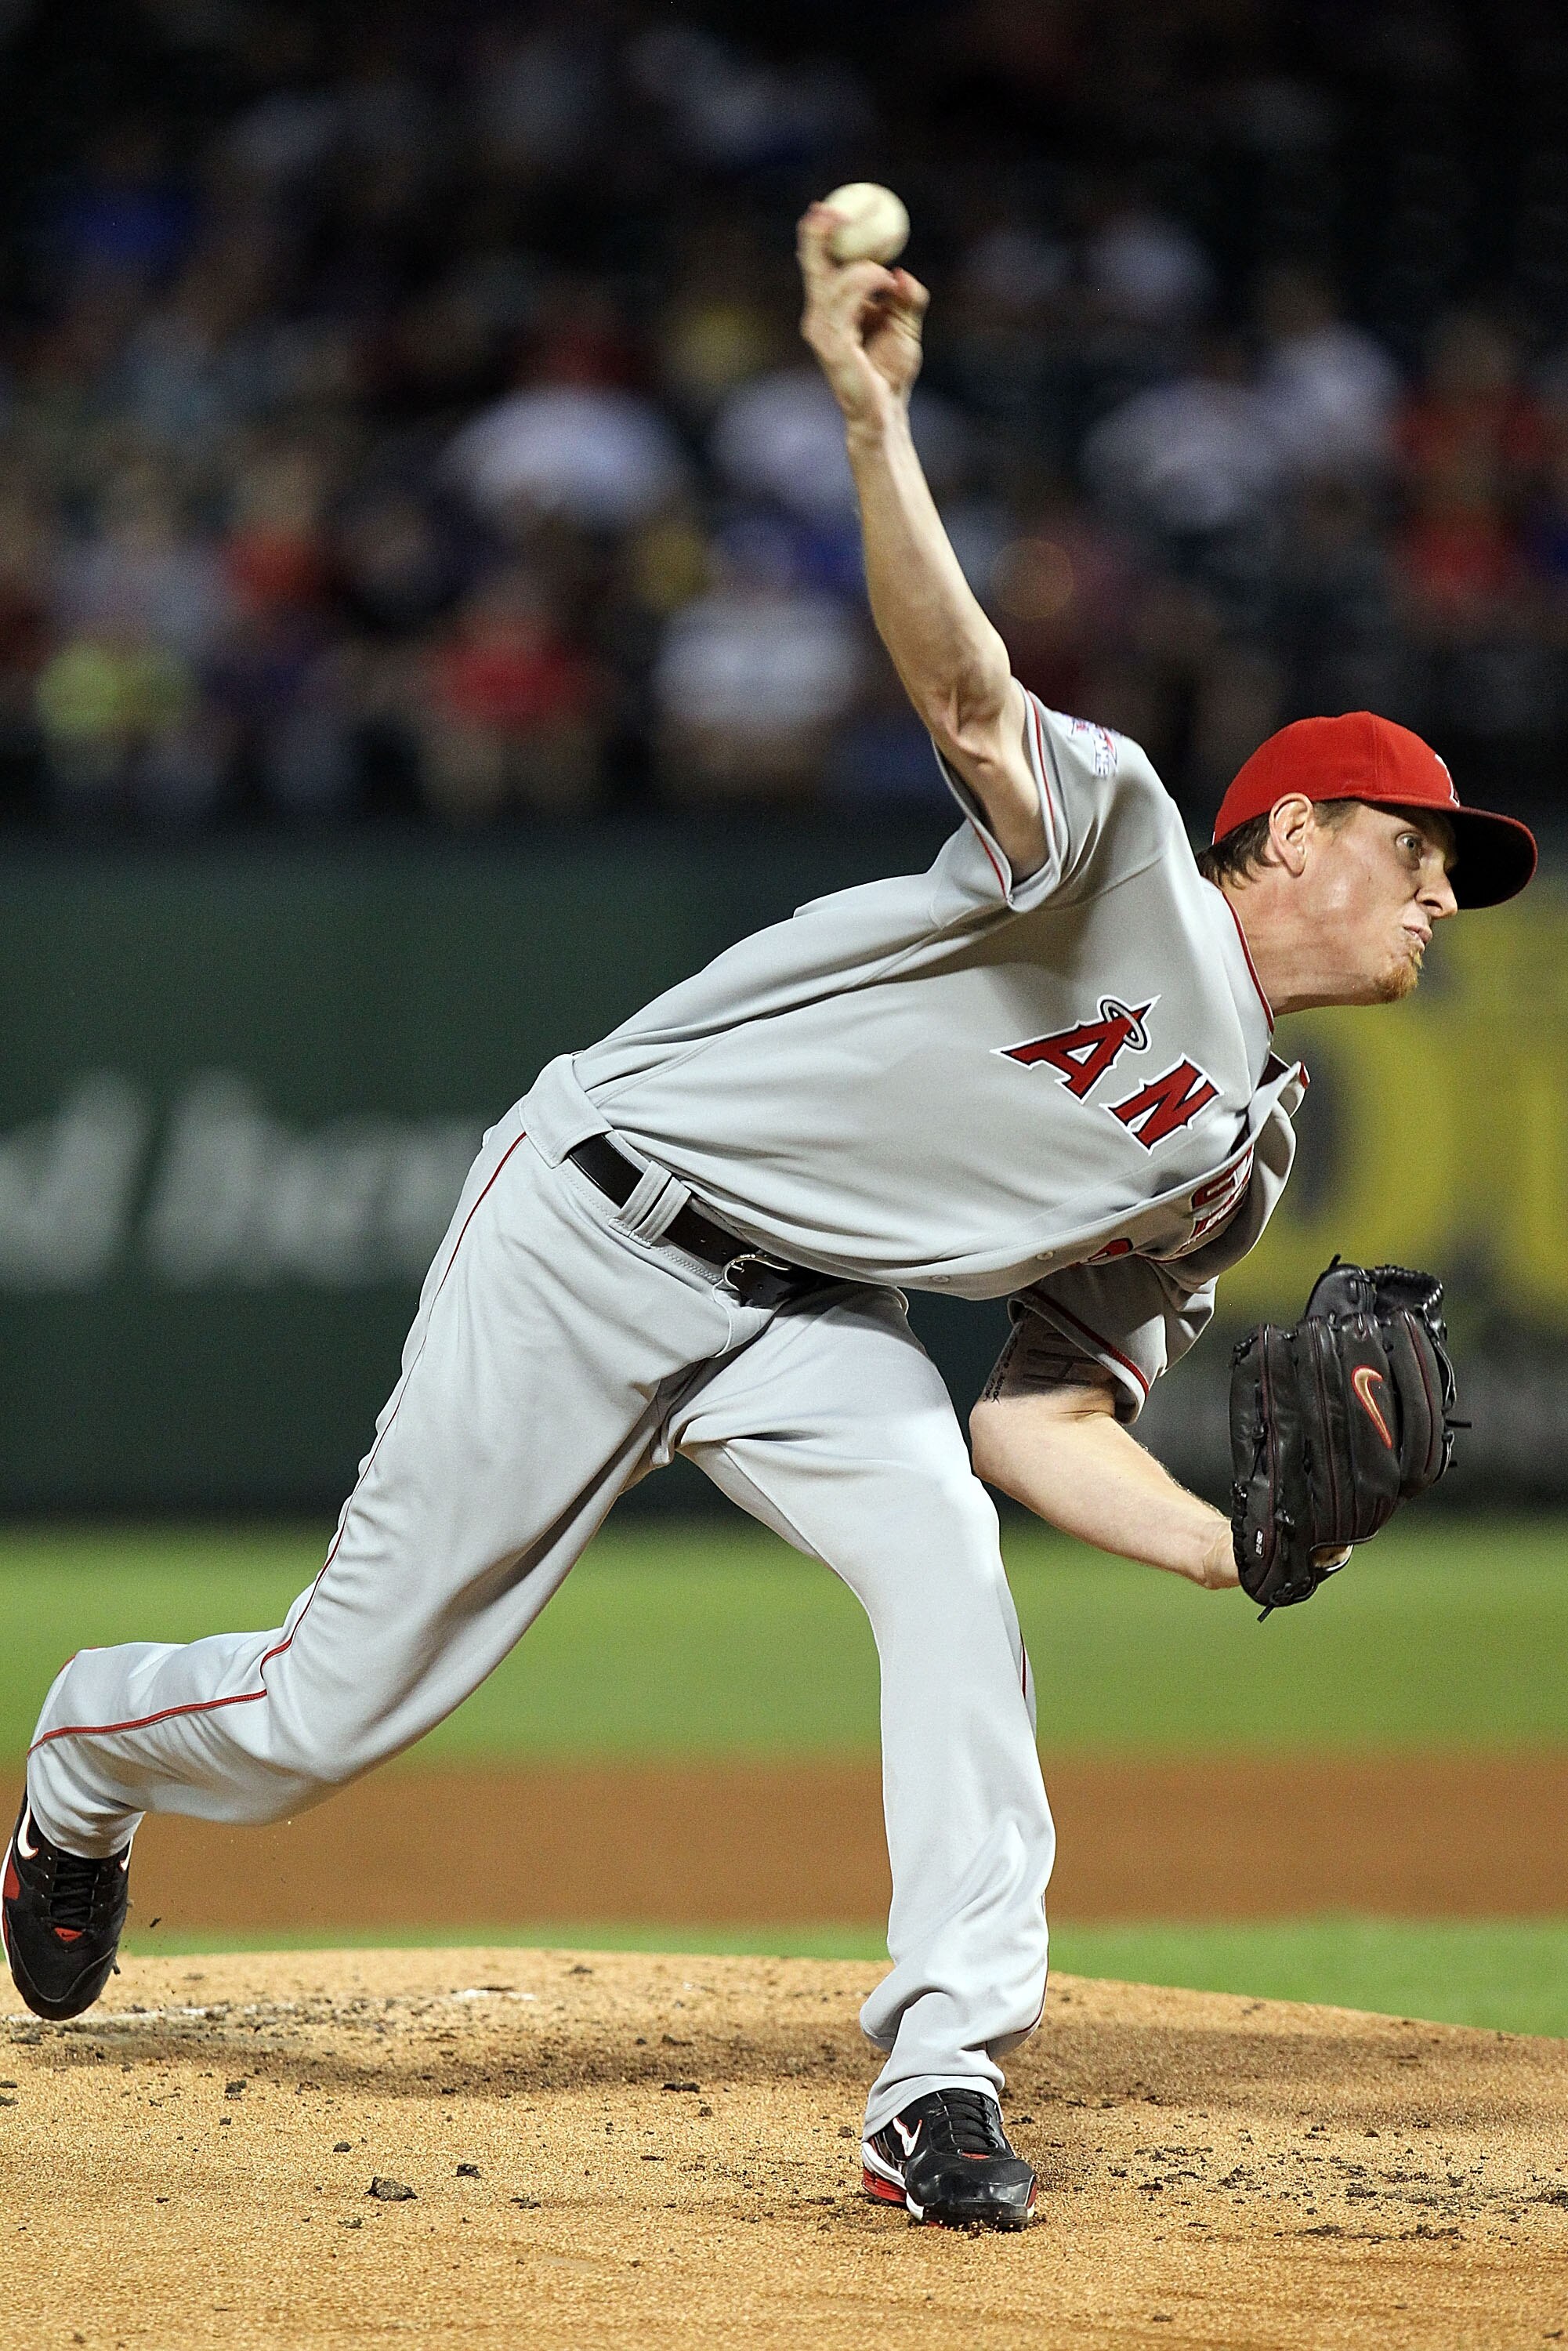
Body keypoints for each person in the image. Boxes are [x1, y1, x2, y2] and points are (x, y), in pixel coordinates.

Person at [2, 209, 1537, 2233]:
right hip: (599, 1220)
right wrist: (868, 416)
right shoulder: (1132, 857)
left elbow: (1035, 1412)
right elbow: (969, 698)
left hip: (808, 1321)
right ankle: (78, 1779)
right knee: (321, 1719)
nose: (1441, 897)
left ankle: (942, 2072)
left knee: (945, 1570)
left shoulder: (1235, 1156)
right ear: (1300, 832)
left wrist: (1227, 1542)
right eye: (1421, 851)